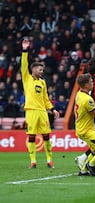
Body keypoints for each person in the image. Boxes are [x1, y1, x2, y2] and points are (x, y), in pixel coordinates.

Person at [21, 39, 60, 169]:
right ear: (33, 70)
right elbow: (23, 64)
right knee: (31, 136)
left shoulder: (42, 82)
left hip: (43, 112)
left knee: (46, 136)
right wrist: (25, 50)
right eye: (40, 69)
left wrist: (52, 109)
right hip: (31, 111)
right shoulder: (27, 78)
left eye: (42, 69)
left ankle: (49, 160)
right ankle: (33, 161)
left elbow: (45, 98)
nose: (42, 71)